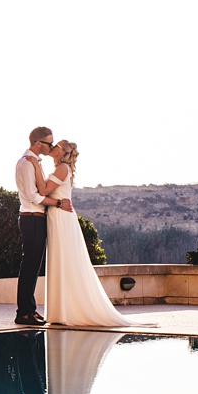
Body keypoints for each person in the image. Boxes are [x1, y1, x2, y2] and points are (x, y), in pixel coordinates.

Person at [38, 140, 135, 328]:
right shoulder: (64, 169)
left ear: (63, 152)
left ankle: (63, 311)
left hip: (60, 217)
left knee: (63, 259)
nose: (53, 148)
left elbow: (44, 190)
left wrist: (35, 166)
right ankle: (60, 311)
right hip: (58, 215)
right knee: (60, 260)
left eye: (56, 146)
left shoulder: (63, 169)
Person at [14, 127, 72, 326]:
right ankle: (23, 312)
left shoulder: (34, 162)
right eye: (49, 143)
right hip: (31, 218)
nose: (51, 147)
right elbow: (33, 195)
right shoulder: (26, 163)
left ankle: (29, 309)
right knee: (29, 265)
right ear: (38, 143)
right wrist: (57, 203)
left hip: (37, 218)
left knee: (33, 265)